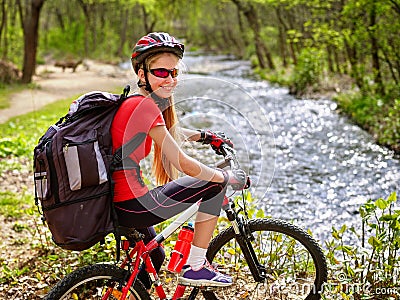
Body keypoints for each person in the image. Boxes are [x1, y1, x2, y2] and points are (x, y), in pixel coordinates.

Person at [111, 32, 247, 289]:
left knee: (155, 256)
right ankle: (196, 266)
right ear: (142, 74)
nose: (170, 78)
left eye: (174, 73)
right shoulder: (145, 106)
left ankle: (130, 291)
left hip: (121, 203)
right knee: (213, 186)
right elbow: (183, 163)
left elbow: (168, 133)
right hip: (134, 205)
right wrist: (225, 177)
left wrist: (206, 136)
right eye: (162, 72)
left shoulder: (135, 102)